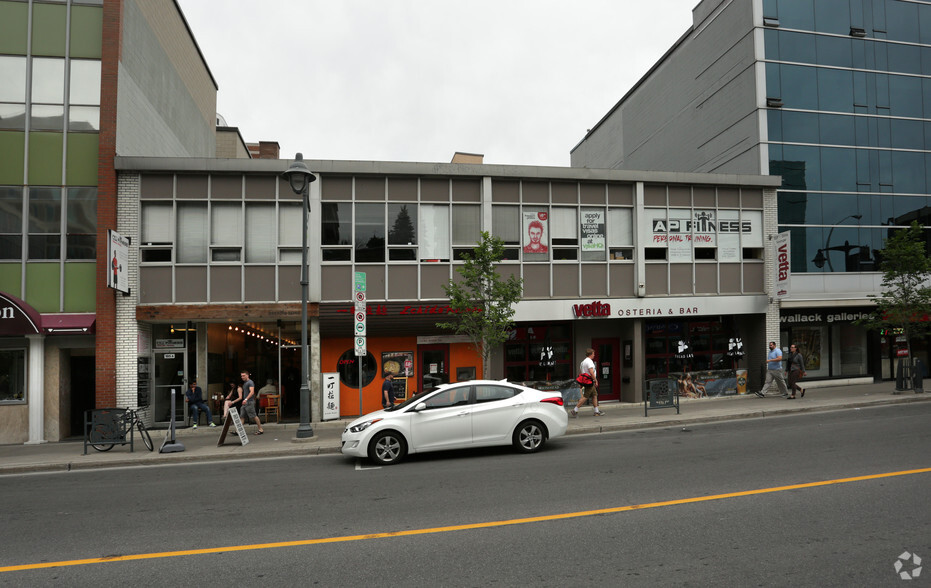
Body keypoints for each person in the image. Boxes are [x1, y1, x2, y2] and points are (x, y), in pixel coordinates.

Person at [570, 348, 605, 417]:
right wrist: (595, 380)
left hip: (586, 381)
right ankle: (575, 410)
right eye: (593, 354)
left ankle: (596, 411)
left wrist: (581, 383)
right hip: (589, 381)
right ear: (591, 354)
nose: (594, 355)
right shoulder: (589, 362)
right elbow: (591, 372)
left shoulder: (583, 362)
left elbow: (581, 372)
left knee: (594, 395)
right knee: (585, 396)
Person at [239, 370, 264, 434]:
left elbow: (252, 392)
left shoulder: (250, 382)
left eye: (243, 375)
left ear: (247, 375)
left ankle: (260, 429)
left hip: (249, 402)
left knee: (254, 416)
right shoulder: (245, 383)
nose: (242, 377)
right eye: (241, 376)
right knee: (242, 416)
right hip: (245, 402)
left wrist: (246, 399)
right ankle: (239, 431)